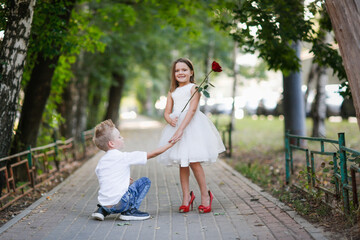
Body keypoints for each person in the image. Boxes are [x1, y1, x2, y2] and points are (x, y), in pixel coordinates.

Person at [158, 58, 225, 213]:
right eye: (177, 70)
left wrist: (181, 129)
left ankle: (205, 195)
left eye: (184, 70)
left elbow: (192, 110)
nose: (180, 73)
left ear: (191, 72)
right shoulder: (172, 92)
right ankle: (186, 198)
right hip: (176, 127)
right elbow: (167, 112)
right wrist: (169, 119)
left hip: (191, 127)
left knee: (194, 161)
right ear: (173, 74)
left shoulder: (195, 88)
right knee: (182, 163)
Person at [91, 119, 177, 221]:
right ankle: (130, 212)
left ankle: (102, 211)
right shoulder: (123, 157)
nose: (122, 138)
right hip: (121, 203)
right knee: (145, 181)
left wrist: (124, 182)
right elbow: (152, 154)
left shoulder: (101, 162)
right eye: (119, 137)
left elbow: (107, 179)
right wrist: (170, 145)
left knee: (117, 192)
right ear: (111, 144)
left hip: (104, 203)